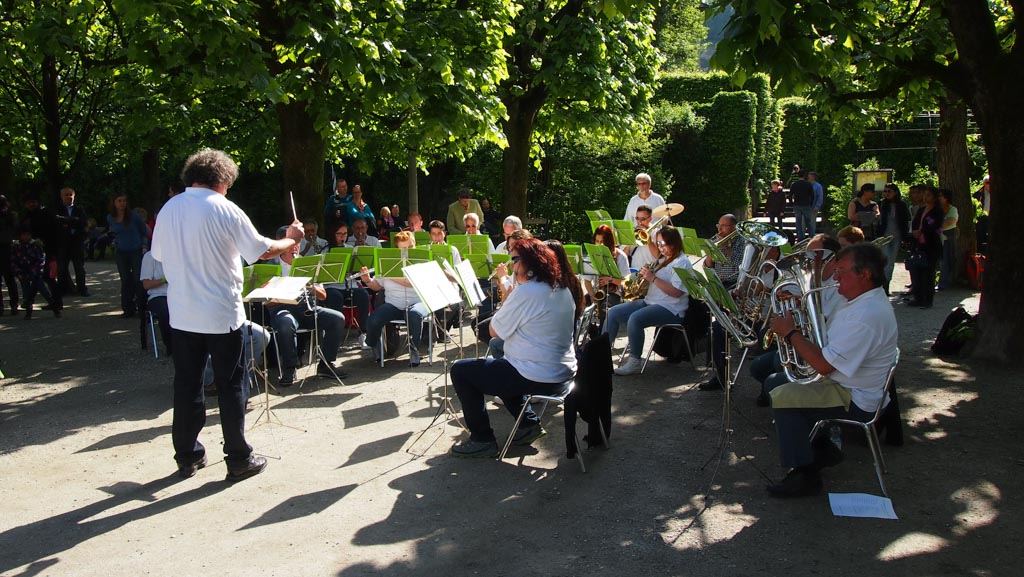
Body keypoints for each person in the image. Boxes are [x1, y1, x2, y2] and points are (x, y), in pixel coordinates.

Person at [152, 148, 303, 482]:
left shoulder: (169, 208)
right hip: (221, 313)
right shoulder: (225, 208)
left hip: (182, 313)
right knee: (231, 384)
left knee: (187, 384)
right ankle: (238, 457)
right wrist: (289, 239)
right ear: (223, 179)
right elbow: (261, 251)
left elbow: (159, 254)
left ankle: (187, 455)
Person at [763, 244, 897, 497]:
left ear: (865, 274)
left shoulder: (867, 315)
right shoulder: (859, 301)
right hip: (843, 381)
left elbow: (824, 364)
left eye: (842, 272)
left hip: (854, 395)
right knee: (773, 382)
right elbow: (827, 340)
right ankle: (822, 449)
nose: (835, 278)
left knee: (782, 397)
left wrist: (790, 332)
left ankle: (805, 473)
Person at [449, 237, 578, 458]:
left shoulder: (529, 292)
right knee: (501, 363)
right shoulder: (561, 287)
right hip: (562, 372)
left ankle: (482, 439)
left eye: (514, 259)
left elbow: (493, 331)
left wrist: (511, 295)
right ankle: (528, 425)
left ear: (529, 262)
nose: (511, 265)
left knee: (461, 370)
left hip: (539, 375)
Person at [604, 226, 691, 376]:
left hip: (671, 308)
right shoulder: (663, 259)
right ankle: (602, 354)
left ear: (674, 243)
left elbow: (676, 292)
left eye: (663, 244)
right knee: (613, 313)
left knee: (635, 319)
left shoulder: (682, 263)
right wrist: (642, 278)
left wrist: (653, 278)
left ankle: (634, 361)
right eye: (658, 243)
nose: (660, 247)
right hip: (651, 301)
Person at [267, 226, 348, 387]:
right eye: (291, 244)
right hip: (283, 309)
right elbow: (267, 302)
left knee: (337, 318)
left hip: (308, 309)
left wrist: (312, 287)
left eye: (297, 244)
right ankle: (290, 367)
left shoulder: (308, 264)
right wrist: (286, 291)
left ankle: (326, 364)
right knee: (285, 323)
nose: (295, 248)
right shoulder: (272, 267)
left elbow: (323, 295)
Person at [360, 231, 430, 367]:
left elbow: (413, 283)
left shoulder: (422, 262)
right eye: (402, 249)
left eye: (409, 248)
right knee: (373, 320)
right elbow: (377, 286)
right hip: (393, 304)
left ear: (415, 246)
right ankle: (374, 345)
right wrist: (367, 280)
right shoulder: (388, 262)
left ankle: (414, 352)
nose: (406, 252)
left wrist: (389, 273)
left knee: (414, 314)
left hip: (417, 303)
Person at [106, 193, 149, 318]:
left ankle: (142, 307)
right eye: (119, 201)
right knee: (125, 280)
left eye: (124, 201)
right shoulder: (110, 217)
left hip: (135, 250)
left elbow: (143, 231)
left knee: (138, 279)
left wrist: (144, 246)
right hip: (121, 251)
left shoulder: (134, 216)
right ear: (114, 203)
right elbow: (113, 232)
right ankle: (127, 308)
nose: (122, 204)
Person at [20, 192, 63, 314]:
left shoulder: (47, 214)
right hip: (31, 252)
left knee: (47, 277)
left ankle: (55, 302)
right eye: (29, 203)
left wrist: (52, 250)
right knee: (40, 277)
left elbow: (55, 233)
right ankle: (51, 302)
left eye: (33, 202)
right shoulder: (26, 217)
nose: (31, 205)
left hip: (47, 250)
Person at [11, 225, 60, 319]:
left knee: (45, 292)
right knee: (27, 294)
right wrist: (18, 272)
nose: (25, 237)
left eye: (28, 235)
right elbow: (13, 261)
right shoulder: (16, 247)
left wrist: (37, 270)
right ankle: (28, 311)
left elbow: (41, 259)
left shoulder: (36, 246)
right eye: (23, 235)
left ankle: (55, 308)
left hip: (36, 274)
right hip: (23, 274)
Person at [907, 186, 943, 309]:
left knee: (929, 272)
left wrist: (922, 231)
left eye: (928, 195)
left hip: (931, 244)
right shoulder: (922, 209)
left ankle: (928, 300)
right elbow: (915, 222)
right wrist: (915, 233)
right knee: (918, 271)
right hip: (919, 243)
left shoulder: (937, 211)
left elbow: (935, 225)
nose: (925, 197)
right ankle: (918, 297)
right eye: (925, 195)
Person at [55, 187, 89, 296]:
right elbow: (56, 223)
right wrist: (73, 221)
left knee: (79, 267)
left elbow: (83, 223)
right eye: (66, 195)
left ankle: (82, 289)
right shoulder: (57, 209)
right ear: (61, 196)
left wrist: (67, 221)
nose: (69, 197)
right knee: (62, 267)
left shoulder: (79, 209)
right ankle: (62, 289)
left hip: (76, 242)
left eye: (71, 195)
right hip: (62, 242)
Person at [583, 224, 629, 306]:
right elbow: (587, 281)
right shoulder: (591, 256)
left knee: (605, 307)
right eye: (597, 241)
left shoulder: (621, 256)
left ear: (609, 242)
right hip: (596, 291)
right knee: (578, 304)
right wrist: (591, 295)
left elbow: (626, 282)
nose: (599, 245)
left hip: (615, 293)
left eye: (602, 242)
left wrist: (610, 280)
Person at [878, 183, 911, 295]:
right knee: (885, 260)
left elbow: (906, 221)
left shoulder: (901, 205)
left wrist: (905, 237)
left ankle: (887, 284)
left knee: (891, 261)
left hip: (897, 236)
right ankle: (882, 284)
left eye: (889, 191)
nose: (887, 193)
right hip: (884, 236)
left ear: (895, 192)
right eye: (885, 191)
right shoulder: (881, 204)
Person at [140, 251, 173, 355]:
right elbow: (146, 285)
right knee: (166, 312)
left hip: (178, 294)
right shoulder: (150, 257)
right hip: (158, 295)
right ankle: (171, 346)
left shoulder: (178, 253)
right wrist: (164, 279)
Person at [704, 214, 746, 289]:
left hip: (734, 284)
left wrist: (726, 247)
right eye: (718, 225)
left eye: (723, 225)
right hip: (718, 282)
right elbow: (708, 266)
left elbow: (739, 262)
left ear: (734, 227)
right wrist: (710, 252)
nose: (719, 228)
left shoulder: (742, 241)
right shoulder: (715, 240)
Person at [0, 195, 19, 315]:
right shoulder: (11, 216)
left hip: (7, 248)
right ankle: (12, 305)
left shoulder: (11, 216)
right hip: (7, 248)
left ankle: (12, 305)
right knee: (10, 279)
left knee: (9, 278)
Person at [937, 189, 959, 290]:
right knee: (940, 260)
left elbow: (948, 222)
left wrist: (937, 225)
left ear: (946, 198)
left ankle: (944, 283)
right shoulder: (936, 209)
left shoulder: (952, 209)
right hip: (938, 237)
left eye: (941, 196)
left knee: (946, 260)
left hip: (948, 237)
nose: (939, 198)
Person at [790, 170, 816, 242]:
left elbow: (790, 195)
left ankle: (800, 238)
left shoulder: (794, 184)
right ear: (805, 176)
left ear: (798, 176)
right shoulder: (808, 184)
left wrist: (792, 203)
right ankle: (811, 236)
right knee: (808, 221)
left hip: (797, 205)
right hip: (806, 204)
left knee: (798, 222)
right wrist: (810, 204)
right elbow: (812, 196)